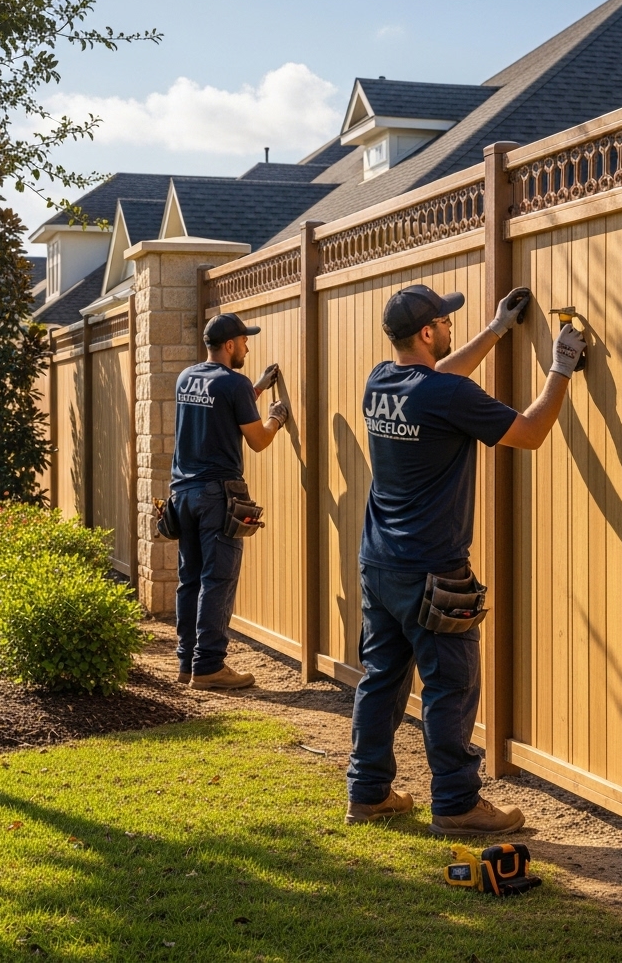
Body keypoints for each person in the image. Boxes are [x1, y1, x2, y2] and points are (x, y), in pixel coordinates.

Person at [345, 283, 585, 835]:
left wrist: (496, 331)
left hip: (379, 562)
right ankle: (456, 803)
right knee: (450, 686)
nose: (451, 327)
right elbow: (528, 434)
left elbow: (436, 380)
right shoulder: (446, 397)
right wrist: (562, 369)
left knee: (381, 679)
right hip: (432, 568)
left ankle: (368, 794)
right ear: (428, 333)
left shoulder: (380, 382)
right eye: (446, 323)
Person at [169, 312, 288, 691]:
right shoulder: (233, 384)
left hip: (182, 495)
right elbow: (257, 440)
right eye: (244, 341)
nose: (248, 347)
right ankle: (209, 667)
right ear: (230, 345)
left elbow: (217, 409)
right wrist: (275, 418)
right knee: (217, 579)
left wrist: (255, 389)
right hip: (216, 496)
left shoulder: (187, 378)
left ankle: (187, 663)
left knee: (190, 579)